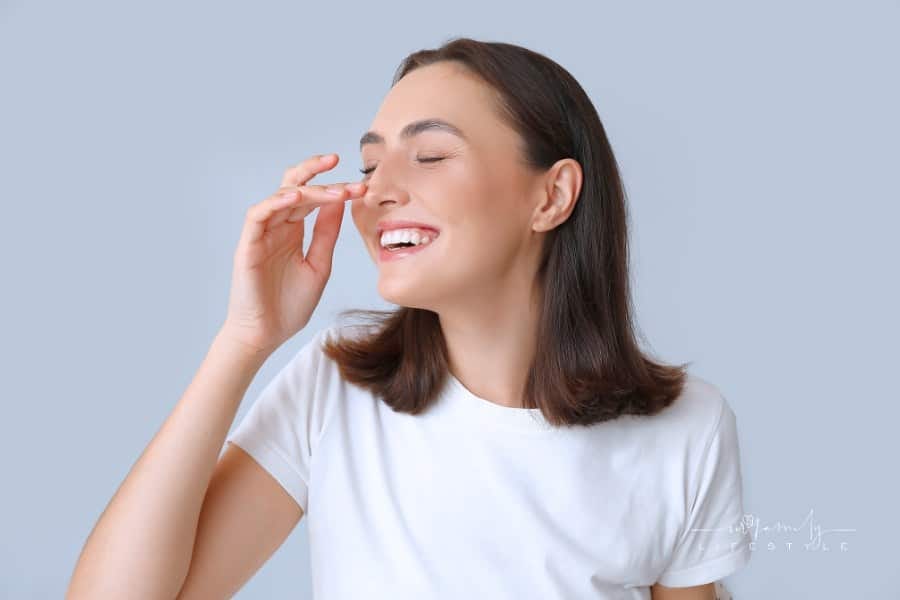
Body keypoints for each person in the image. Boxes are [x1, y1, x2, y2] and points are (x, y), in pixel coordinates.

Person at [67, 38, 751, 600]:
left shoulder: (685, 426)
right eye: (370, 165)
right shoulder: (337, 387)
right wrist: (244, 341)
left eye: (429, 156)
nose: (378, 193)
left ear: (553, 195)